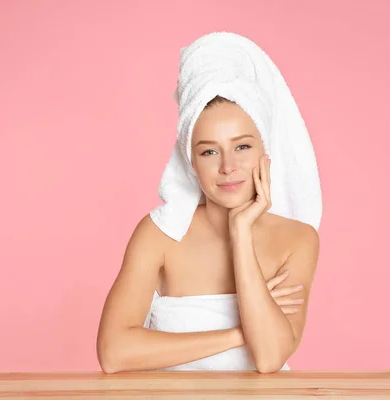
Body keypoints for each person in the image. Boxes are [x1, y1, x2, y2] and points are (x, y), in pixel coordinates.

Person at [96, 32, 322, 374]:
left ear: (265, 151)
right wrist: (237, 334)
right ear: (191, 160)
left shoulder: (298, 239)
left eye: (242, 146)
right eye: (209, 151)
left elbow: (270, 356)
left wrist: (241, 232)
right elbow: (114, 353)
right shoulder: (160, 234)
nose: (228, 166)